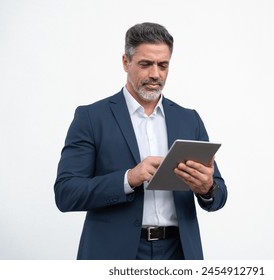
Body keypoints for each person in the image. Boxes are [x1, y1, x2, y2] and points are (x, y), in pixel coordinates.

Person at [54, 22, 227, 260]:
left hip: (179, 253)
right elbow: (66, 193)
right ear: (126, 62)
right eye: (146, 64)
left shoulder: (189, 119)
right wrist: (129, 178)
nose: (155, 74)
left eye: (163, 65)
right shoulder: (91, 118)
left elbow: (218, 196)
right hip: (114, 254)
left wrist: (207, 188)